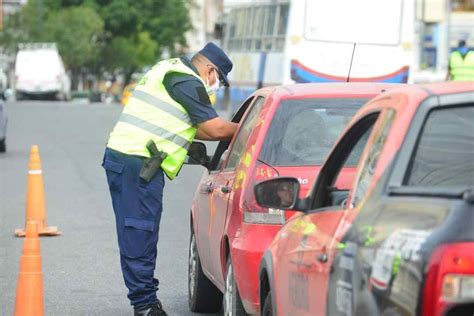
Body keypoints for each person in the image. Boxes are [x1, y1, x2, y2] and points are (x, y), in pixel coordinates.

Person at [102, 43, 238, 316]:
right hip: (137, 162)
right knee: (140, 230)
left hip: (127, 159)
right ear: (210, 71)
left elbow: (191, 126)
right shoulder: (186, 80)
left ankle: (145, 301)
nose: (215, 87)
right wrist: (251, 127)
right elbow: (213, 128)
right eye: (218, 81)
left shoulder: (170, 70)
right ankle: (145, 305)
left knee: (137, 230)